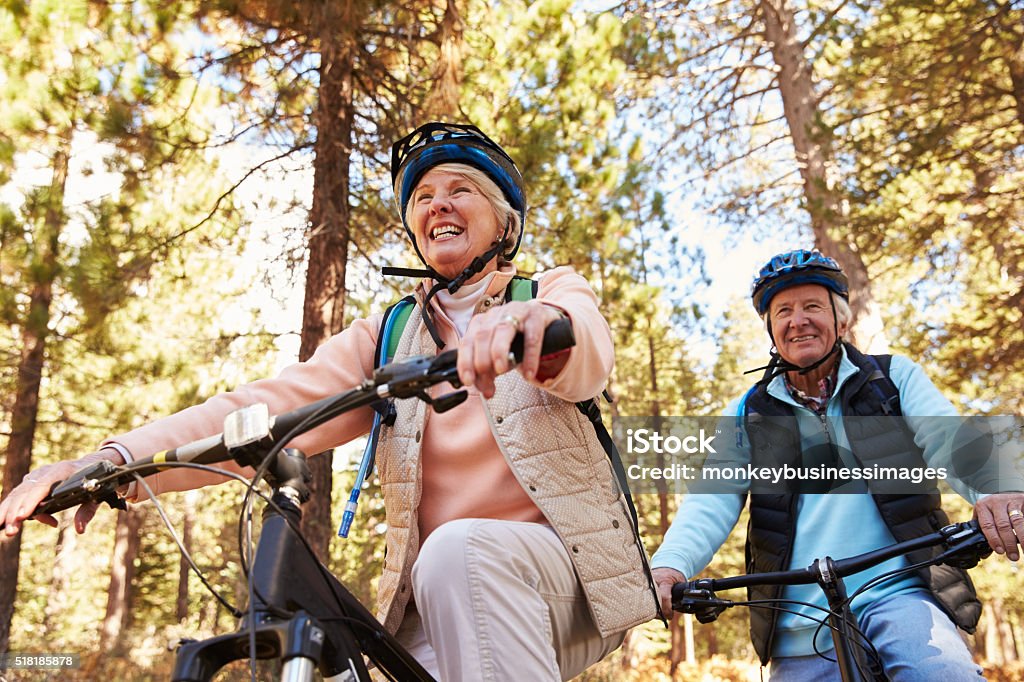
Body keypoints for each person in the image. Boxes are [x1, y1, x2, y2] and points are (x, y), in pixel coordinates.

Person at [0, 122, 659, 681]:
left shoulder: (544, 293)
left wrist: (533, 326)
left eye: (461, 189)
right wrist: (112, 461)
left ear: (503, 221)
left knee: (461, 553)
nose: (439, 204)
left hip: (568, 583)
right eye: (423, 197)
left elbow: (588, 353)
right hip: (443, 597)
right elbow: (260, 406)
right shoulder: (389, 337)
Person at [650, 249, 1023, 680]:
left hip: (902, 595)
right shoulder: (749, 411)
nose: (798, 320)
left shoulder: (891, 380)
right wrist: (670, 565)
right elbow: (711, 500)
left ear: (841, 320)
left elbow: (951, 441)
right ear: (771, 330)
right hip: (797, 618)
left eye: (812, 306)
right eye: (783, 311)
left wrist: (997, 488)